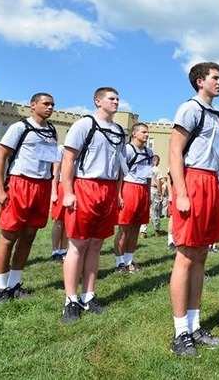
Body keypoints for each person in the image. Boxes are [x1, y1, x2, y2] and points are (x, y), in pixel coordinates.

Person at [168, 62, 219, 357]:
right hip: (192, 180)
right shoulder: (189, 109)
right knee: (185, 255)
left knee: (201, 254)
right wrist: (181, 192)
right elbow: (174, 152)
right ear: (199, 81)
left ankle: (194, 325)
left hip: (211, 182)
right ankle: (180, 332)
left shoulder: (216, 116)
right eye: (215, 78)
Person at [60, 87, 126, 323]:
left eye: (118, 98)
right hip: (86, 186)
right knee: (78, 244)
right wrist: (68, 191)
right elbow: (68, 159)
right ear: (98, 101)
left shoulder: (119, 130)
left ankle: (89, 295)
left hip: (108, 190)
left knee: (97, 245)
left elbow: (119, 166)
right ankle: (71, 299)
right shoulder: (83, 125)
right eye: (111, 98)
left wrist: (118, 193)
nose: (116, 102)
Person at [0, 93, 58, 302]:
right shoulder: (20, 128)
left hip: (42, 185)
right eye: (46, 104)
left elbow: (52, 159)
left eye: (52, 105)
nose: (50, 108)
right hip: (20, 184)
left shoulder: (51, 130)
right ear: (33, 105)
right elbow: (0, 156)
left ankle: (15, 283)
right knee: (9, 236)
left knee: (29, 235)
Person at [114, 122, 154, 273]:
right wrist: (118, 194)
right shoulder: (127, 150)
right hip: (129, 188)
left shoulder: (149, 153)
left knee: (136, 227)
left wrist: (148, 194)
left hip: (143, 190)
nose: (147, 134)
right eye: (143, 132)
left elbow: (148, 176)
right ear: (134, 134)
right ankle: (119, 262)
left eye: (147, 132)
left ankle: (129, 260)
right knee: (125, 228)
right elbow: (119, 174)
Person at [50, 145, 68, 262]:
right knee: (59, 221)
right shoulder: (61, 149)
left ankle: (63, 249)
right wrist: (54, 192)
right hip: (61, 185)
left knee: (68, 221)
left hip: (73, 186)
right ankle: (55, 250)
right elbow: (55, 172)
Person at [150, 155, 167, 236]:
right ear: (156, 161)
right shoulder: (157, 170)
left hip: (147, 189)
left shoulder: (148, 169)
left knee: (147, 211)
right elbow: (159, 182)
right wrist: (160, 193)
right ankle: (157, 230)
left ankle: (143, 231)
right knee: (156, 210)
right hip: (154, 190)